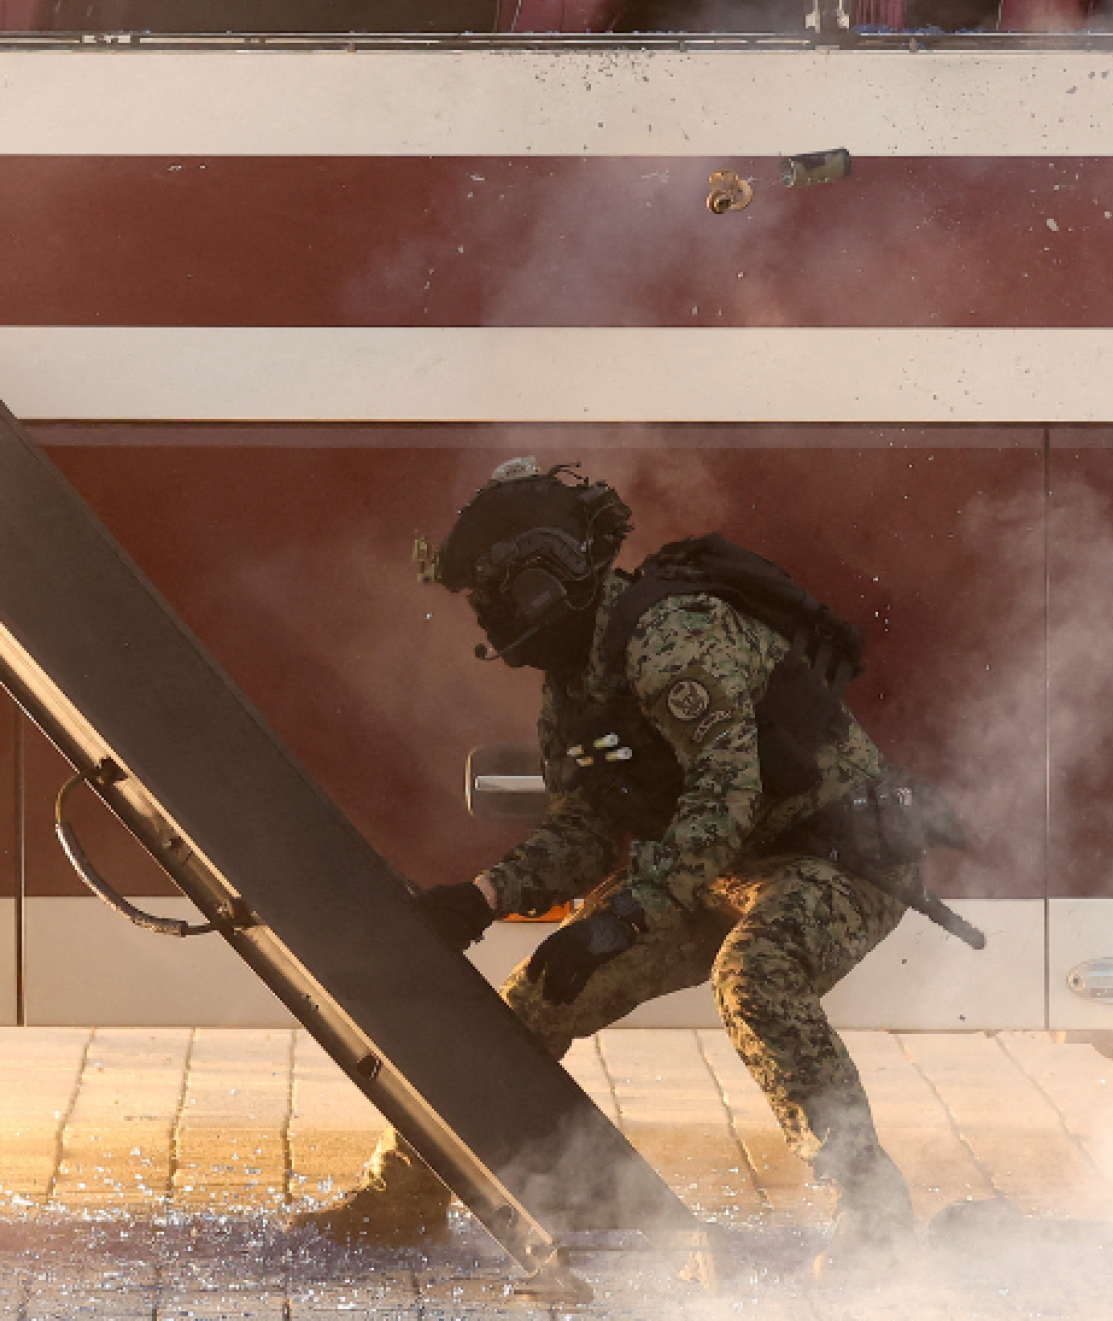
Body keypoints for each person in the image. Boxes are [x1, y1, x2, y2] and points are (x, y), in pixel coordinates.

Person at [301, 459, 964, 1274]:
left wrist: (618, 920)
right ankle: (402, 1196)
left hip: (835, 858)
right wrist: (481, 900)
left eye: (495, 593)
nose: (488, 616)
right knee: (539, 994)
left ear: (546, 581)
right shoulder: (573, 688)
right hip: (718, 869)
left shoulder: (670, 636)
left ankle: (875, 1219)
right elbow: (585, 831)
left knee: (755, 977)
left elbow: (724, 799)